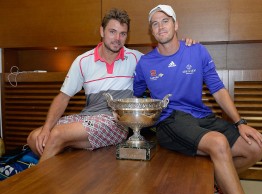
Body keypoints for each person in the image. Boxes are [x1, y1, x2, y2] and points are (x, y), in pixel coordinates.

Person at [133, 5, 262, 194]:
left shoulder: (196, 50)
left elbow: (217, 88)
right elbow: (137, 97)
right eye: (155, 24)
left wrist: (240, 122)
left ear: (176, 25)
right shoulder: (145, 63)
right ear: (152, 31)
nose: (160, 27)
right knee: (218, 143)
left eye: (165, 21)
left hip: (201, 116)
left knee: (256, 147)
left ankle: (215, 183)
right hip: (170, 120)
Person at [27, 8, 195, 163]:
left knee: (57, 135)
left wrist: (184, 47)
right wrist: (46, 129)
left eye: (122, 34)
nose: (117, 38)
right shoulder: (83, 61)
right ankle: (61, 167)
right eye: (112, 32)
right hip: (87, 117)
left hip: (115, 122)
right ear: (102, 31)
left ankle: (39, 188)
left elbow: (164, 61)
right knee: (34, 138)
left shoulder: (136, 59)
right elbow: (63, 98)